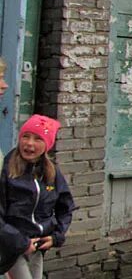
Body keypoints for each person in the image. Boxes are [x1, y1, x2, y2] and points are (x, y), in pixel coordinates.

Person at [0, 114, 76, 279]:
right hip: (11, 247)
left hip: (38, 246)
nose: (29, 143)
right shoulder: (6, 172)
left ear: (47, 145)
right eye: (25, 136)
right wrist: (21, 243)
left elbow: (66, 207)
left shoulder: (51, 173)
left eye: (38, 139)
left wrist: (56, 237)